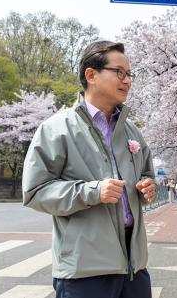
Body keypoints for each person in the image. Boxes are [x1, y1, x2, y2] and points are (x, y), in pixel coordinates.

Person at [22, 41, 156, 298]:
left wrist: (146, 188)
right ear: (91, 75)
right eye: (119, 72)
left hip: (134, 267)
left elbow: (146, 175)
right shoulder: (56, 129)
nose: (127, 80)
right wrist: (93, 191)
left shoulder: (132, 131)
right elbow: (35, 192)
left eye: (129, 74)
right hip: (85, 271)